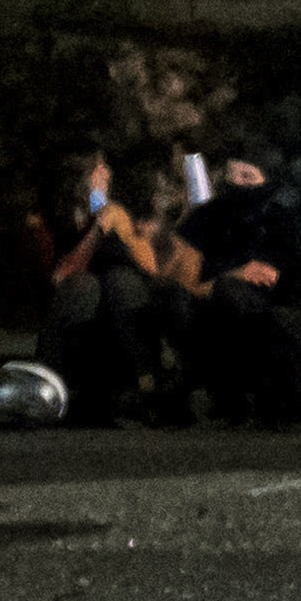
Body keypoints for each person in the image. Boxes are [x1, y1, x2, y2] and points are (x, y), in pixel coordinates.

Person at [169, 143, 301, 425]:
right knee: (225, 295)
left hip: (276, 328)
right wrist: (234, 276)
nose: (237, 184)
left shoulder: (287, 222)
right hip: (216, 326)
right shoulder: (206, 218)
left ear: (267, 181)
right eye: (231, 176)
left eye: (247, 177)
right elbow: (185, 285)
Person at [38, 149, 180, 420]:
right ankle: (63, 390)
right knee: (84, 287)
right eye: (97, 168)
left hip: (119, 301)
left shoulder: (117, 212)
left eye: (104, 167)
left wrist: (110, 219)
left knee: (121, 281)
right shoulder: (51, 218)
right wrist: (98, 222)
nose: (105, 173)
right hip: (82, 303)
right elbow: (61, 274)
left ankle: (143, 385)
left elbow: (146, 268)